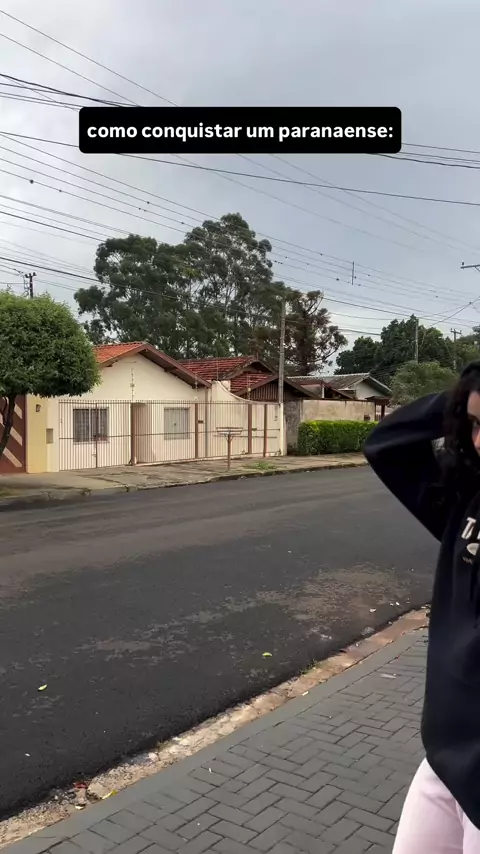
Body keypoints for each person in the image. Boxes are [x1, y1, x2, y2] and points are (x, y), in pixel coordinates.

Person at [364, 362, 480, 854]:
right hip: (445, 761)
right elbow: (388, 444)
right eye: (476, 425)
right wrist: (461, 396)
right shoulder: (467, 504)